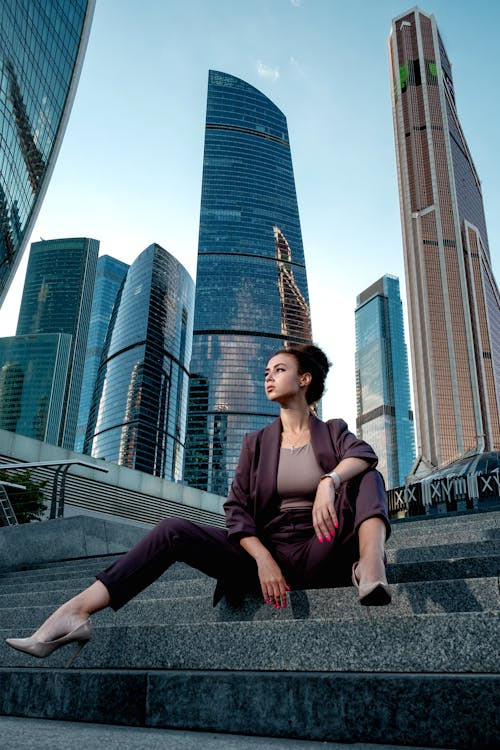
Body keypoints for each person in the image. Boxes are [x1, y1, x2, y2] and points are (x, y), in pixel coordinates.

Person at [5, 343, 391, 668]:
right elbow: (236, 510)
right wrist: (262, 558)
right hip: (266, 552)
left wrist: (330, 480)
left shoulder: (334, 431)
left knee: (368, 476)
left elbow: (364, 455)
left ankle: (371, 569)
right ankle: (75, 612)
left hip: (321, 546)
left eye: (279, 369)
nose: (268, 377)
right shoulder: (256, 443)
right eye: (266, 371)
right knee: (172, 530)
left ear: (304, 379)